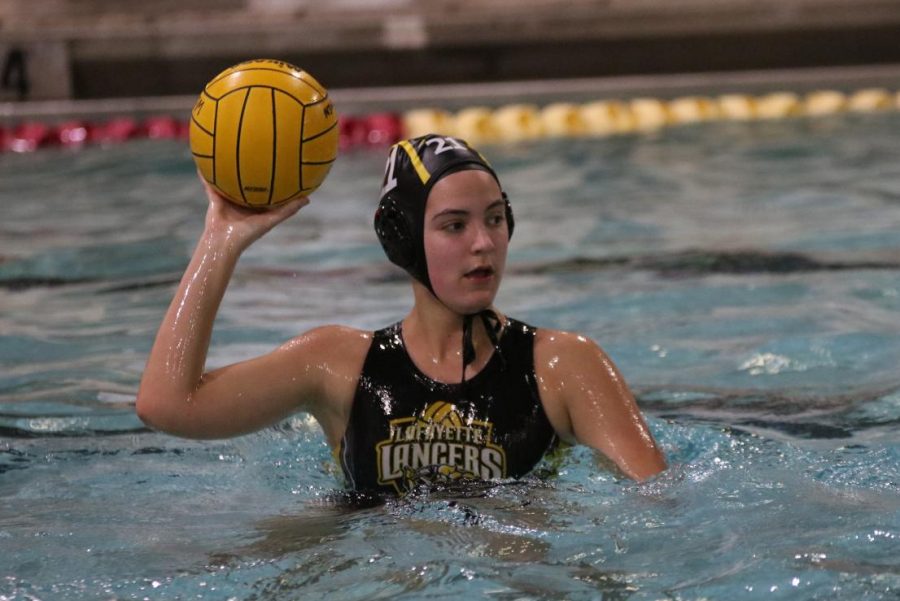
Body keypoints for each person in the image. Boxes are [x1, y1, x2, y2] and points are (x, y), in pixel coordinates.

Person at [136, 134, 667, 497]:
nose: (484, 244)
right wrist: (220, 241)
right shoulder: (335, 364)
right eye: (454, 226)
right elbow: (168, 406)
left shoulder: (563, 365)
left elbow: (661, 504)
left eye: (496, 219)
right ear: (401, 238)